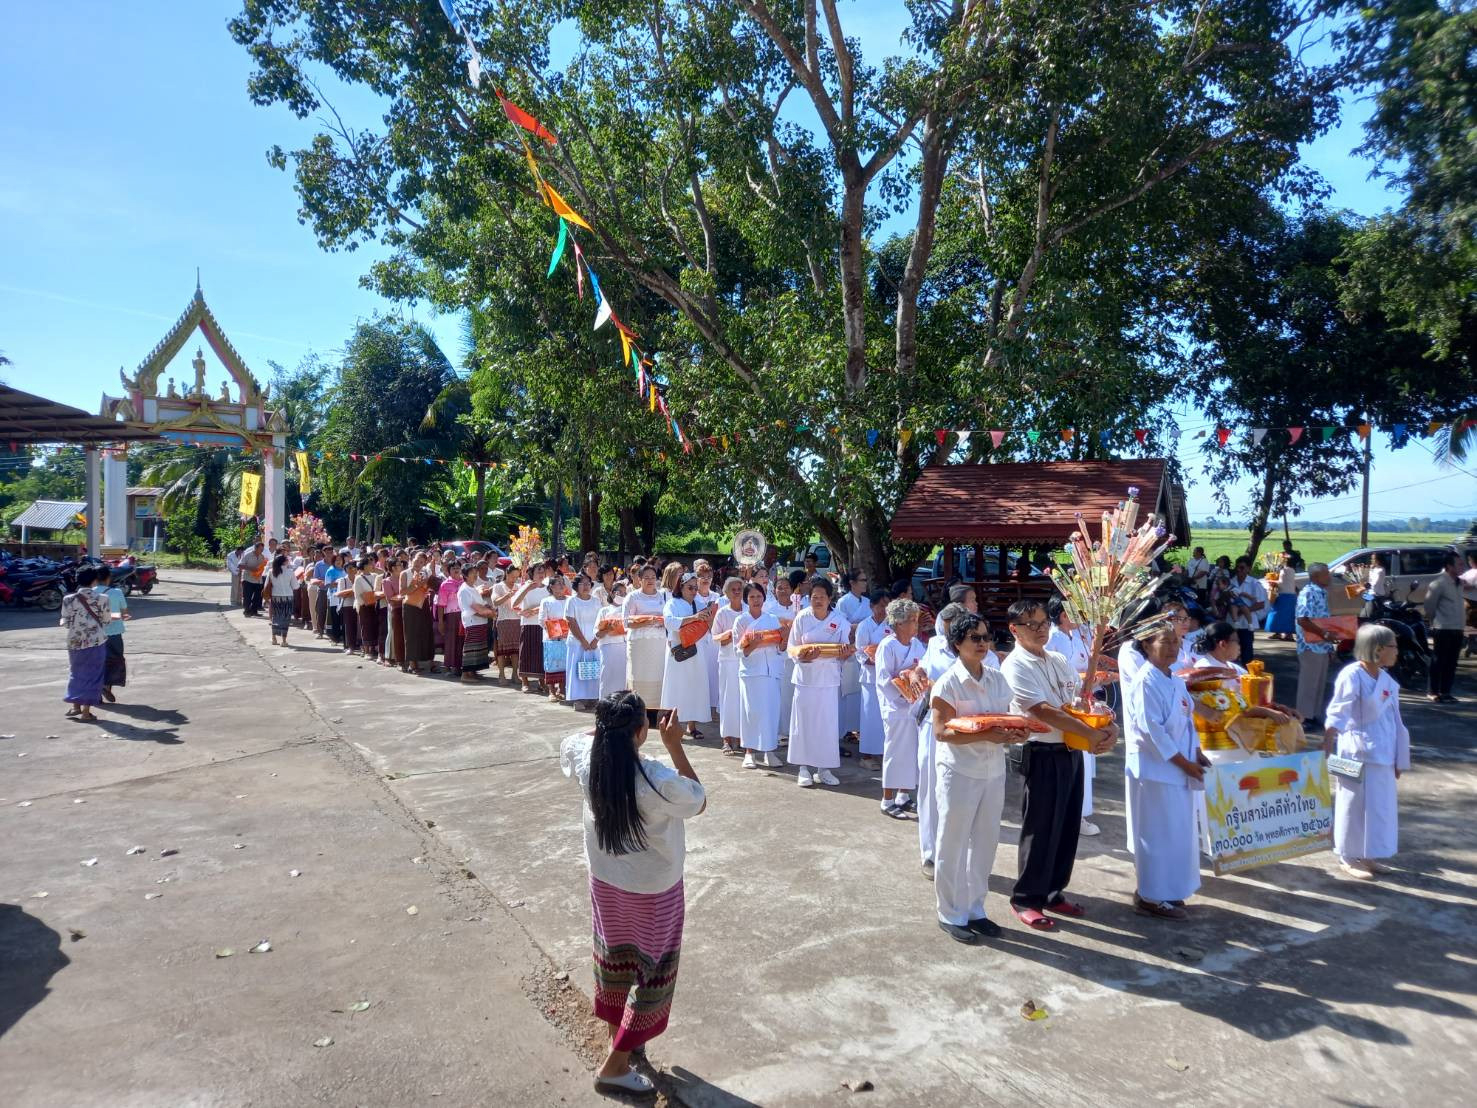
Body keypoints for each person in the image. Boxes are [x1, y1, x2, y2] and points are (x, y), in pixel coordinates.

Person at [560, 696, 705, 1095]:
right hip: (654, 890)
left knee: (614, 961)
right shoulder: (657, 779)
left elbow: (571, 740)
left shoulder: (588, 761)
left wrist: (605, 728)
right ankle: (615, 1064)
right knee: (653, 975)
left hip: (606, 882)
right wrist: (675, 744)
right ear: (643, 731)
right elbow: (698, 799)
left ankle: (619, 1040)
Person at [1002, 599, 1116, 931]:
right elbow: (1042, 710)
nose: (1040, 630)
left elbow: (1079, 702)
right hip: (1040, 752)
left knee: (1067, 824)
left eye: (1042, 623)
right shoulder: (1015, 665)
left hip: (1070, 748)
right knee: (1040, 827)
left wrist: (1106, 726)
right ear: (1014, 630)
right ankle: (1026, 898)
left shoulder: (1059, 659)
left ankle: (1053, 890)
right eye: (1031, 625)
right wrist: (1089, 734)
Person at [929, 613, 1029, 943]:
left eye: (986, 637)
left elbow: (1012, 717)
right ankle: (950, 912)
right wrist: (988, 736)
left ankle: (976, 909)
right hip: (959, 771)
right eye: (975, 638)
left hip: (992, 771)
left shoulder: (997, 679)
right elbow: (942, 732)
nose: (983, 643)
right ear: (957, 644)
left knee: (986, 842)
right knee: (953, 842)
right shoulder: (948, 683)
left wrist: (1016, 734)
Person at [1124, 628, 1205, 920]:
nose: (1173, 647)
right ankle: (1150, 895)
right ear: (1146, 644)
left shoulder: (1174, 680)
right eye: (1165, 642)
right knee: (1156, 834)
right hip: (1155, 770)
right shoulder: (1145, 681)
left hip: (1179, 767)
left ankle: (1169, 889)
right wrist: (1184, 762)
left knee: (1177, 833)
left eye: (1176, 641)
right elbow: (1151, 731)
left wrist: (1195, 753)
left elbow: (1187, 722)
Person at [1324, 624, 1410, 881]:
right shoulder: (1352, 675)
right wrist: (1328, 740)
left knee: (1379, 807)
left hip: (1383, 753)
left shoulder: (1386, 680)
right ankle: (1347, 856)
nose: (1397, 652)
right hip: (1353, 752)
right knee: (1352, 805)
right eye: (1393, 646)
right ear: (1379, 649)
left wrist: (1399, 756)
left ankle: (1369, 854)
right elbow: (1338, 710)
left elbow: (1396, 721)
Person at [786, 576, 853, 788]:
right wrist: (802, 656)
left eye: (822, 597)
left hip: (829, 679)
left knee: (826, 725)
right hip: (805, 678)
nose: (818, 600)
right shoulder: (802, 618)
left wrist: (844, 653)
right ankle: (803, 768)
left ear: (829, 597)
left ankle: (824, 769)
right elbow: (791, 648)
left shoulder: (840, 621)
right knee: (804, 723)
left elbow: (846, 651)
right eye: (814, 597)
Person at [1047, 598, 1098, 837]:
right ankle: (1073, 815)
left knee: (1084, 761)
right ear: (1063, 616)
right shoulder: (1053, 639)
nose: (1079, 615)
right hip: (1064, 703)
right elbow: (1054, 672)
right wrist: (1079, 678)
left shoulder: (1076, 636)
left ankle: (1080, 813)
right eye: (1073, 612)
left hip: (1083, 698)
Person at [875, 597, 926, 817]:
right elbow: (883, 679)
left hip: (914, 707)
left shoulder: (917, 644)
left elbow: (924, 669)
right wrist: (904, 685)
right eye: (912, 620)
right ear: (898, 623)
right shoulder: (887, 645)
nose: (916, 624)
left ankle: (903, 795)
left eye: (916, 620)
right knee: (895, 752)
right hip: (895, 707)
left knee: (912, 752)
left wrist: (918, 678)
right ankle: (887, 800)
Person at [734, 582, 785, 768]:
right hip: (752, 673)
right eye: (752, 597)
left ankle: (769, 751)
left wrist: (784, 638)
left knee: (771, 712)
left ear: (764, 598)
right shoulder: (741, 621)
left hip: (771, 671)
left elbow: (781, 647)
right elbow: (738, 651)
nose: (756, 600)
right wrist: (753, 644)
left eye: (759, 596)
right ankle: (749, 752)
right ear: (746, 600)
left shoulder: (772, 619)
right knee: (752, 712)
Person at [661, 574, 712, 729]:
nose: (694, 591)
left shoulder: (699, 602)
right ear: (680, 587)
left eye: (696, 588)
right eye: (690, 587)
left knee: (695, 686)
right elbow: (668, 622)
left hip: (697, 650)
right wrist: (693, 618)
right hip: (679, 649)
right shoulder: (672, 603)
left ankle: (692, 726)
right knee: (676, 686)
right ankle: (672, 725)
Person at [61, 567, 109, 722]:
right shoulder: (102, 598)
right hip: (96, 641)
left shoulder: (68, 599)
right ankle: (86, 713)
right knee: (93, 675)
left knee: (76, 673)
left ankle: (75, 707)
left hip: (75, 641)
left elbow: (66, 622)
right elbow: (106, 620)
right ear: (95, 580)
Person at [624, 565, 669, 725]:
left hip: (659, 643)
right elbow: (626, 622)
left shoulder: (663, 596)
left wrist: (661, 621)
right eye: (646, 577)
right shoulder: (633, 597)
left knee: (658, 677)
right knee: (639, 676)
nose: (650, 580)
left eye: (653, 577)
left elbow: (670, 618)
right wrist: (647, 621)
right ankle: (638, 716)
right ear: (639, 579)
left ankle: (656, 716)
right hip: (639, 644)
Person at [1294, 562, 1338, 726]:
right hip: (1309, 644)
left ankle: (1314, 714)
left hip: (1321, 644)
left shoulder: (1322, 593)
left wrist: (1329, 645)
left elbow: (1323, 620)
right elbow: (1302, 619)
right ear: (1316, 576)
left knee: (1319, 682)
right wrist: (1324, 634)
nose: (1329, 576)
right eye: (1326, 574)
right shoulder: (1308, 592)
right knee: (1308, 682)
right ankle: (1304, 717)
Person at [853, 591, 891, 771]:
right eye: (880, 605)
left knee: (884, 717)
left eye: (886, 605)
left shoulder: (891, 625)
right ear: (872, 606)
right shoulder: (864, 625)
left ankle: (883, 753)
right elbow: (860, 651)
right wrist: (872, 658)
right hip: (869, 675)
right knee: (869, 717)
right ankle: (867, 754)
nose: (883, 609)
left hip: (887, 676)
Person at [710, 576, 746, 755]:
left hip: (746, 661)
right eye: (733, 589)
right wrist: (728, 635)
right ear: (726, 593)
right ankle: (726, 739)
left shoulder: (748, 610)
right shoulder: (722, 612)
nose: (737, 592)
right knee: (727, 699)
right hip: (727, 661)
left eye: (740, 588)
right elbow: (714, 637)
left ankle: (741, 738)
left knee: (742, 699)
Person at [1424, 551, 1465, 703]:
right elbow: (1429, 607)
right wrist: (1435, 621)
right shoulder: (1439, 583)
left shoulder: (1459, 583)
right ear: (1449, 566)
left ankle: (1446, 691)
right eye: (1459, 564)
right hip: (1443, 628)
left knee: (1452, 662)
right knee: (1439, 660)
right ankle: (1433, 691)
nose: (1463, 567)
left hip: (1458, 627)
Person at [835, 570, 871, 743]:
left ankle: (859, 727)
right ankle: (846, 729)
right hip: (849, 648)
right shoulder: (843, 602)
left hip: (865, 648)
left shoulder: (868, 602)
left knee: (860, 690)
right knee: (848, 689)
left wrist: (862, 627)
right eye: (862, 580)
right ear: (852, 583)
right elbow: (843, 625)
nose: (865, 583)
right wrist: (860, 626)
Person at [93, 565, 129, 702]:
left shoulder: (90, 593)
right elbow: (124, 613)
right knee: (114, 662)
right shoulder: (117, 592)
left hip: (95, 634)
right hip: (114, 633)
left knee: (97, 662)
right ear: (109, 578)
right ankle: (107, 687)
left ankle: (96, 692)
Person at [515, 564, 551, 694]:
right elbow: (514, 603)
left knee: (541, 654)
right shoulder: (525, 587)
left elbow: (550, 604)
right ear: (532, 574)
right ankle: (525, 682)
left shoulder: (548, 588)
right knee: (526, 652)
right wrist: (527, 589)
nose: (541, 574)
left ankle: (542, 682)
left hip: (543, 625)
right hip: (528, 624)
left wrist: (535, 610)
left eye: (543, 571)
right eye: (538, 571)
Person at [457, 563, 495, 682]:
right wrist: (488, 613)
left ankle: (472, 672)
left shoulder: (473, 587)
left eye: (475, 572)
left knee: (478, 647)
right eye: (472, 573)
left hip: (480, 621)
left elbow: (479, 603)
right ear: (465, 575)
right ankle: (465, 674)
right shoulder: (464, 590)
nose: (475, 575)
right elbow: (469, 609)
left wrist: (487, 607)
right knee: (471, 648)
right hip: (472, 621)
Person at [1226, 558, 1267, 665]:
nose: (1239, 570)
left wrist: (1244, 611)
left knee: (1246, 652)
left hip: (1246, 623)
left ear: (1248, 569)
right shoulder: (1230, 582)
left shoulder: (1254, 583)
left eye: (1242, 567)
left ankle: (1247, 676)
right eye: (1237, 567)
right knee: (1230, 651)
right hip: (1232, 622)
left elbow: (1260, 604)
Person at [400, 554, 436, 674]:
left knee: (427, 632)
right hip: (410, 606)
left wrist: (429, 579)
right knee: (411, 634)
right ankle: (412, 664)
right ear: (411, 560)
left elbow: (434, 586)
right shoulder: (405, 573)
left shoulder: (425, 573)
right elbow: (402, 591)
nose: (418, 563)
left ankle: (431, 663)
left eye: (421, 562)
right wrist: (416, 585)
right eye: (416, 560)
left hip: (423, 604)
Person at [596, 581, 630, 701]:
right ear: (612, 593)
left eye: (624, 593)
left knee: (623, 677)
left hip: (624, 646)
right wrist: (607, 629)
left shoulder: (628, 610)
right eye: (618, 592)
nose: (622, 594)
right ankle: (605, 703)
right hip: (608, 647)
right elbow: (596, 634)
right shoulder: (604, 611)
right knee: (607, 676)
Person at [353, 557, 381, 661]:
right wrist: (364, 603)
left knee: (375, 626)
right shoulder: (358, 578)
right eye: (370, 564)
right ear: (364, 566)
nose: (372, 565)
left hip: (375, 604)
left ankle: (373, 649)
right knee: (366, 628)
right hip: (365, 606)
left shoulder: (375, 576)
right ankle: (366, 650)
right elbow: (357, 594)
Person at [1264, 553, 1298, 641]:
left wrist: (1271, 580)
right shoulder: (1292, 570)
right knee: (1288, 615)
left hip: (1284, 595)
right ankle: (1287, 634)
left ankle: (1280, 633)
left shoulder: (1284, 571)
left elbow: (1282, 583)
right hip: (1291, 596)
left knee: (1278, 614)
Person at [267, 551, 296, 647]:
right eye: (287, 559)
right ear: (284, 562)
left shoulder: (271, 571)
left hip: (275, 597)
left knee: (276, 617)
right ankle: (284, 640)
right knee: (286, 619)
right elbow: (295, 586)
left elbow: (266, 585)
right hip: (288, 597)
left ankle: (273, 638)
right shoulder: (290, 572)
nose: (288, 561)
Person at [336, 560, 361, 653]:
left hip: (358, 604)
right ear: (345, 570)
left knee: (358, 626)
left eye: (353, 568)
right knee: (349, 626)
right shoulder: (343, 580)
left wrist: (350, 592)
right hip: (347, 605)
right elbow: (341, 594)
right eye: (349, 568)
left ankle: (358, 645)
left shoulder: (359, 579)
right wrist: (354, 592)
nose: (351, 570)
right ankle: (351, 646)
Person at [324, 552, 346, 645]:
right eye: (336, 560)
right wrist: (338, 583)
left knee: (344, 617)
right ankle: (335, 637)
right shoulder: (330, 570)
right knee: (335, 617)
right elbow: (327, 584)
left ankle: (344, 636)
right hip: (334, 597)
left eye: (340, 560)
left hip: (345, 596)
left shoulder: (345, 570)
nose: (338, 562)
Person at [240, 541, 267, 617]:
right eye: (260, 549)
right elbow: (240, 565)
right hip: (248, 579)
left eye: (262, 549)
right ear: (256, 548)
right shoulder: (247, 555)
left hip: (258, 580)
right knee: (247, 596)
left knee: (258, 597)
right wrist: (251, 568)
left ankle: (254, 611)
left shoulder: (262, 557)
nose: (261, 551)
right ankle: (247, 611)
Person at [226, 545, 244, 609]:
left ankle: (239, 601)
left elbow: (244, 563)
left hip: (242, 572)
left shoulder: (243, 554)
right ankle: (233, 601)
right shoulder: (230, 555)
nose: (240, 553)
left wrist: (241, 571)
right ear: (236, 550)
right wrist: (236, 572)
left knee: (241, 587)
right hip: (234, 572)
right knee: (235, 586)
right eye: (239, 552)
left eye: (241, 552)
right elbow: (229, 565)